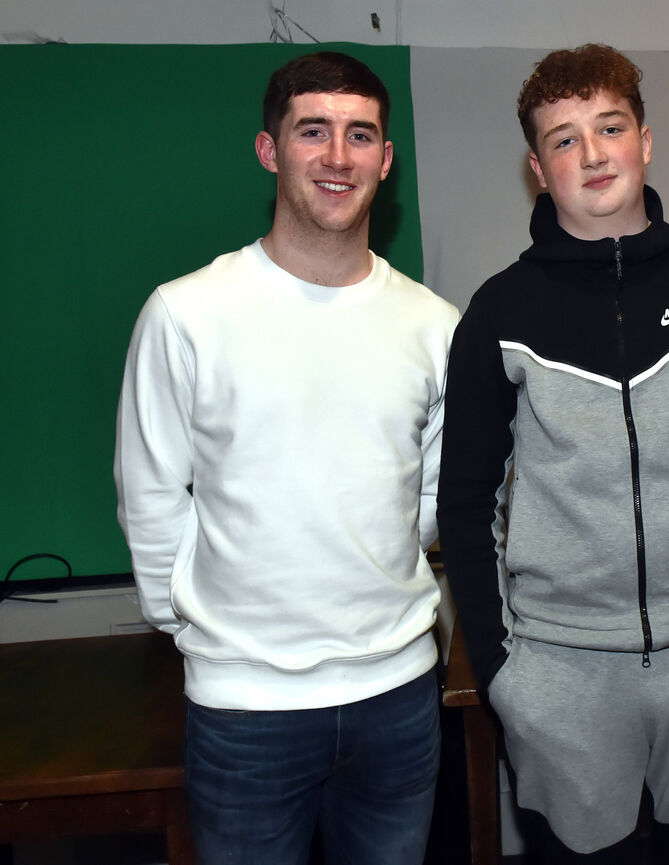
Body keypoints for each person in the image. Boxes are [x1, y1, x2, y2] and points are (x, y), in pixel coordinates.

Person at [436, 43, 669, 864]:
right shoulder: (500, 311)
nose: (593, 152)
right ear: (538, 167)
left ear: (646, 139)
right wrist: (504, 667)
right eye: (564, 138)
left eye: (610, 126)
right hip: (561, 677)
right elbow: (464, 503)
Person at [114, 51, 459, 865]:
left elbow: (434, 487)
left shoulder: (434, 324)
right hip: (243, 710)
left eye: (360, 135)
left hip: (399, 699)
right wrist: (196, 628)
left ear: (385, 158)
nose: (338, 157)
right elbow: (151, 490)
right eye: (314, 131)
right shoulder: (188, 313)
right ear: (271, 150)